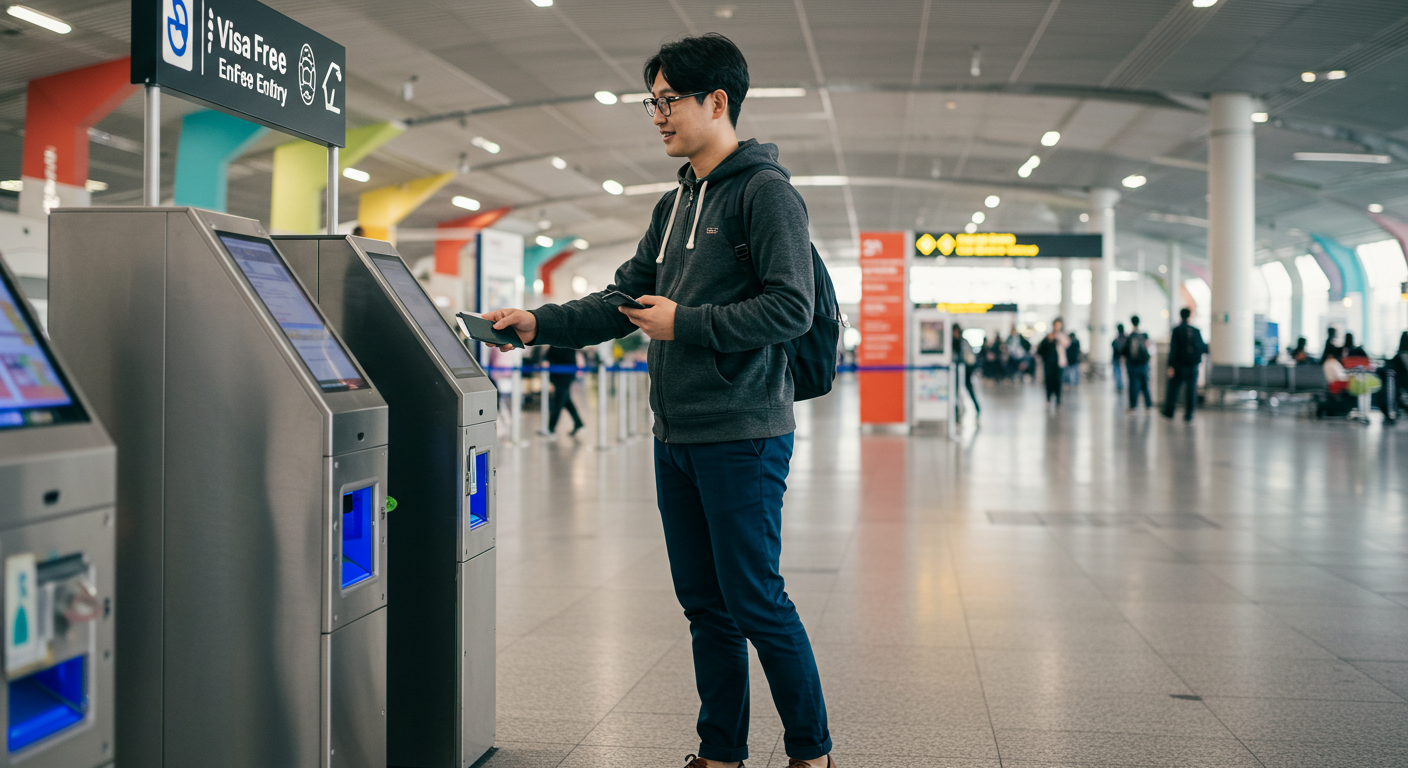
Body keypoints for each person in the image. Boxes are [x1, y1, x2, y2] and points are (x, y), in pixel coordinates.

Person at [481, 34, 832, 768]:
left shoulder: (766, 194)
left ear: (717, 101)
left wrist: (688, 324)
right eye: (653, 102)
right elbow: (621, 301)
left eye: (669, 100)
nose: (658, 115)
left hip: (743, 432)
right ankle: (721, 753)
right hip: (676, 435)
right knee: (705, 607)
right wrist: (539, 323)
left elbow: (791, 308)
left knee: (757, 603)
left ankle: (811, 753)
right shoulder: (674, 204)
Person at [1162, 307, 1207, 421]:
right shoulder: (1196, 330)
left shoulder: (1177, 330)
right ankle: (1189, 414)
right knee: (1191, 390)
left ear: (1180, 315)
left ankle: (1169, 411)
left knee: (1174, 388)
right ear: (1189, 316)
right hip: (1193, 365)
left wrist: (1171, 365)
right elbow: (1203, 347)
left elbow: (1173, 348)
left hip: (1179, 365)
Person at [544, 345, 585, 436]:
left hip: (563, 375)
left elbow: (552, 355)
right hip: (562, 375)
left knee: (558, 401)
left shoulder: (564, 341)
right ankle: (578, 422)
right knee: (566, 400)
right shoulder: (565, 342)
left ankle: (551, 428)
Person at [1036, 319, 1069, 408]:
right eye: (1056, 325)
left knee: (1058, 380)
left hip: (1059, 363)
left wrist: (1057, 339)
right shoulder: (1047, 336)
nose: (1057, 327)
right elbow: (1040, 348)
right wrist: (1048, 340)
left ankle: (1058, 398)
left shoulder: (1062, 336)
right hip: (1048, 362)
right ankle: (1048, 397)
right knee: (1049, 380)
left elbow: (1066, 344)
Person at [1125, 315, 1153, 411]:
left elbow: (1125, 351)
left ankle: (1133, 406)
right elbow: (1148, 347)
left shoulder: (1130, 336)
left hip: (1132, 364)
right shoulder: (1144, 335)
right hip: (1144, 364)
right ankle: (1148, 405)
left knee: (1133, 385)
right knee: (1145, 384)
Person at [953, 322, 979, 417]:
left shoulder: (963, 342)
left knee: (969, 387)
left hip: (966, 370)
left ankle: (976, 406)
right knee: (954, 390)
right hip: (955, 371)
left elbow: (969, 356)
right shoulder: (951, 342)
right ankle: (956, 409)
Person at [1111, 323, 1128, 392]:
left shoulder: (1118, 337)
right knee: (1122, 372)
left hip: (1117, 357)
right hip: (1123, 358)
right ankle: (1120, 385)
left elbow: (1114, 345)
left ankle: (1119, 386)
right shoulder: (1125, 337)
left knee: (1117, 372)